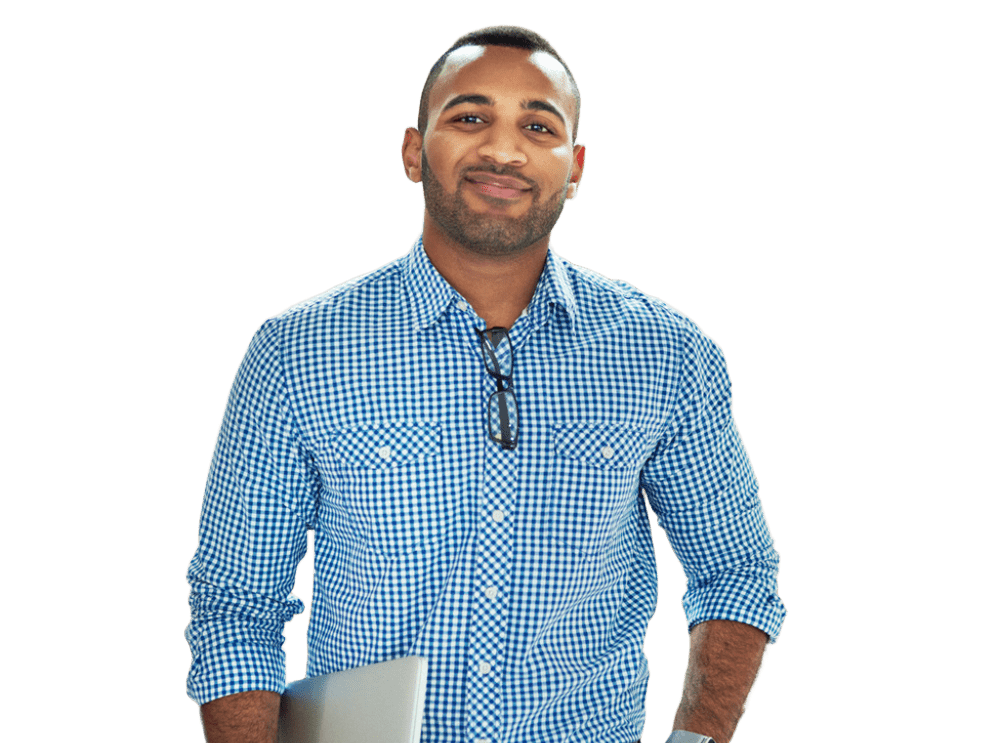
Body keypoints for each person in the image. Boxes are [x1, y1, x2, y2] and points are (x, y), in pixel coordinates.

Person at [184, 24, 787, 743]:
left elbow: (737, 571)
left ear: (576, 168)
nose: (503, 150)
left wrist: (694, 739)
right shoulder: (296, 351)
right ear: (414, 151)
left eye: (538, 126)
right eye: (470, 118)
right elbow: (236, 607)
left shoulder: (668, 352)